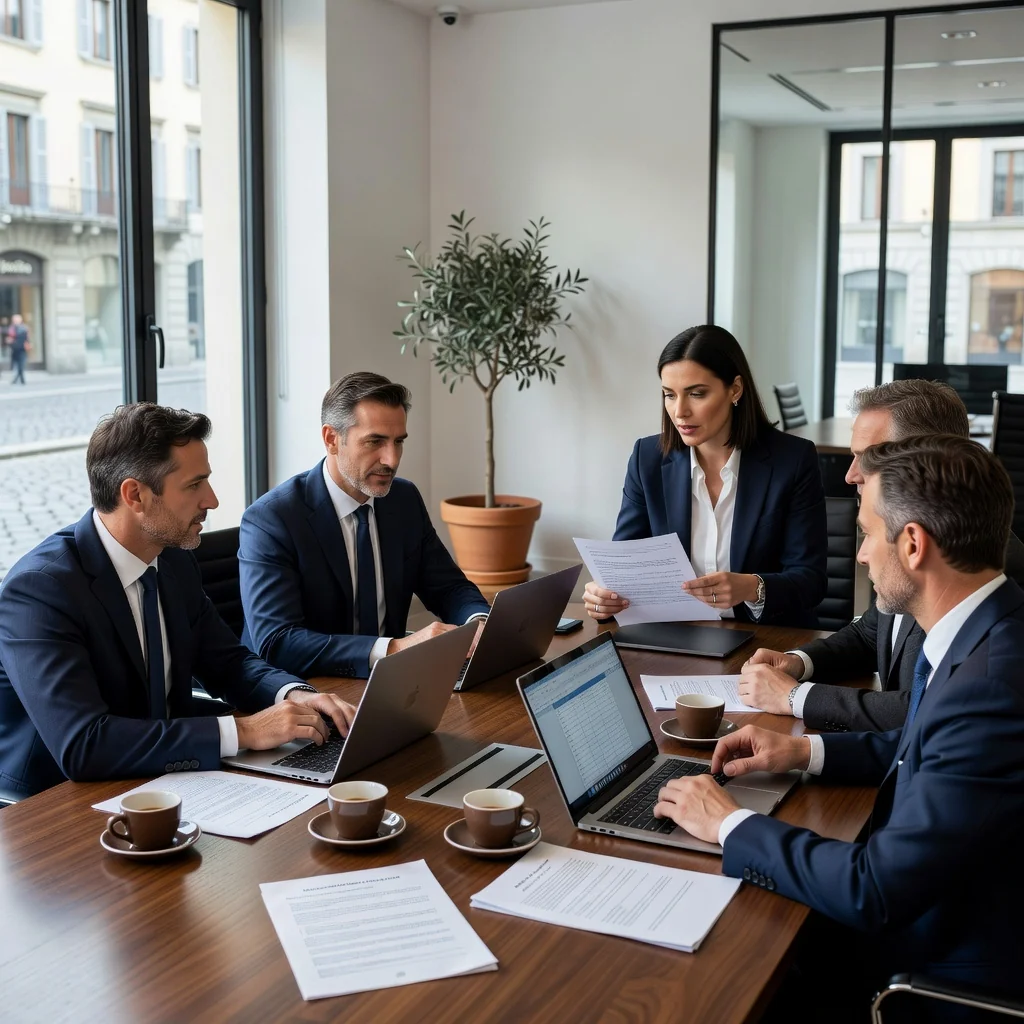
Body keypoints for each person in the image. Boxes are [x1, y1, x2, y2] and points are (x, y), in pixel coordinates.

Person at [654, 434, 1024, 1014]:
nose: (859, 556)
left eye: (867, 535)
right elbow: (922, 747)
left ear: (912, 544)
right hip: (941, 907)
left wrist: (729, 824)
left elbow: (872, 890)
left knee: (717, 977)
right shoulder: (985, 631)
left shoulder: (990, 685)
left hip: (937, 969)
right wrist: (803, 754)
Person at [0, 404, 355, 799]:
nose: (213, 500)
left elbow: (228, 661)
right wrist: (246, 731)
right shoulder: (39, 591)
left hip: (162, 777)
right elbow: (84, 744)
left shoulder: (172, 559)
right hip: (55, 805)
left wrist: (292, 695)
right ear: (135, 494)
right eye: (194, 484)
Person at [739, 378, 1024, 731]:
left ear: (924, 458)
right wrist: (797, 662)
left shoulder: (979, 568)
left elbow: (931, 708)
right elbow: (871, 633)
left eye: (868, 457)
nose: (849, 474)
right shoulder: (903, 549)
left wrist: (796, 697)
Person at [239, 371, 490, 679]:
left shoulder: (403, 499)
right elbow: (278, 642)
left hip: (390, 684)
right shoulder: (273, 519)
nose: (391, 459)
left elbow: (449, 587)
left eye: (399, 442)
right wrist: (395, 649)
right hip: (302, 691)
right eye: (375, 442)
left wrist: (477, 623)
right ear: (332, 439)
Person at [583, 325, 827, 627]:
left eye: (696, 394)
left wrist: (752, 587)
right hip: (675, 636)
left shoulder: (793, 460)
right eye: (669, 395)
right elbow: (626, 565)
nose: (680, 411)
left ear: (735, 389)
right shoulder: (647, 458)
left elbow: (810, 581)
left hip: (765, 639)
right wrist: (604, 595)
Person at [8, 313, 28, 384]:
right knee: (16, 365)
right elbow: (10, 338)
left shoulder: (24, 328)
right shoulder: (11, 328)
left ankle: (21, 379)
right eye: (14, 319)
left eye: (17, 319)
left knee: (21, 365)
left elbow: (27, 339)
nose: (15, 321)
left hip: (22, 349)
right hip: (14, 349)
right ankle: (18, 379)